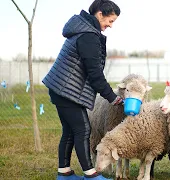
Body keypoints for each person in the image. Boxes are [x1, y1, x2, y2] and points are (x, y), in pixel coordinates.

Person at [42, 0, 123, 179]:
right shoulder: (88, 35)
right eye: (110, 21)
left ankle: (64, 173)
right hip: (66, 90)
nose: (110, 26)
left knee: (70, 130)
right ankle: (91, 174)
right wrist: (113, 98)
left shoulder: (83, 29)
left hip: (61, 88)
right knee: (83, 130)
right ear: (100, 14)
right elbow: (94, 73)